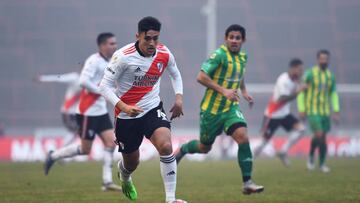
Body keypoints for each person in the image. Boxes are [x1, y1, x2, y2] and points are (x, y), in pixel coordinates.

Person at [99, 17, 186, 203]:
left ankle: (171, 199)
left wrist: (179, 98)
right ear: (138, 36)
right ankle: (124, 175)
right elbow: (103, 86)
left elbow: (175, 73)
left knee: (166, 146)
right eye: (148, 38)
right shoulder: (123, 56)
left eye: (156, 38)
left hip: (152, 109)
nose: (152, 43)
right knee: (132, 162)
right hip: (126, 116)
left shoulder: (164, 53)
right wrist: (123, 106)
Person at [175, 24, 264, 195]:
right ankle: (184, 149)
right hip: (211, 111)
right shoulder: (219, 55)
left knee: (243, 137)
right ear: (226, 38)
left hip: (231, 109)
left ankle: (247, 182)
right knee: (204, 147)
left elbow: (240, 74)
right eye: (231, 37)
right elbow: (200, 76)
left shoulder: (243, 57)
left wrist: (244, 91)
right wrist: (224, 91)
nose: (234, 40)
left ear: (243, 40)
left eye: (238, 38)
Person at [44, 32, 121, 191]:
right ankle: (53, 156)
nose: (115, 46)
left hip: (100, 112)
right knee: (86, 150)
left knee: (110, 142)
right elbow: (83, 81)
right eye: (111, 43)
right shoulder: (94, 61)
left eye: (115, 43)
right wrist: (102, 91)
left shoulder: (112, 61)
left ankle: (107, 182)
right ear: (102, 45)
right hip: (87, 112)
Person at [253, 58, 307, 166]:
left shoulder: (296, 80)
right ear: (293, 69)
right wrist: (298, 92)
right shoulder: (283, 80)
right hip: (273, 115)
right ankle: (249, 160)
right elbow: (281, 99)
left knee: (301, 129)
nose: (301, 72)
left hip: (284, 114)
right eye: (300, 69)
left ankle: (283, 151)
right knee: (263, 142)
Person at [297, 50, 340, 173]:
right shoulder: (309, 74)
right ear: (317, 60)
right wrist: (301, 109)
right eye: (322, 59)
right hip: (312, 111)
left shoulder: (330, 76)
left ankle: (321, 164)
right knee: (320, 134)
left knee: (322, 137)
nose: (324, 61)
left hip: (325, 112)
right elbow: (301, 92)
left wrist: (336, 110)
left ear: (328, 60)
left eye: (326, 59)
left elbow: (333, 94)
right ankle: (311, 157)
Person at [37, 71, 81, 146]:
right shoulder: (74, 78)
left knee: (77, 131)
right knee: (75, 131)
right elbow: (58, 78)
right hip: (67, 112)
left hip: (77, 112)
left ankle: (63, 151)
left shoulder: (90, 81)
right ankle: (61, 150)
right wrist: (43, 78)